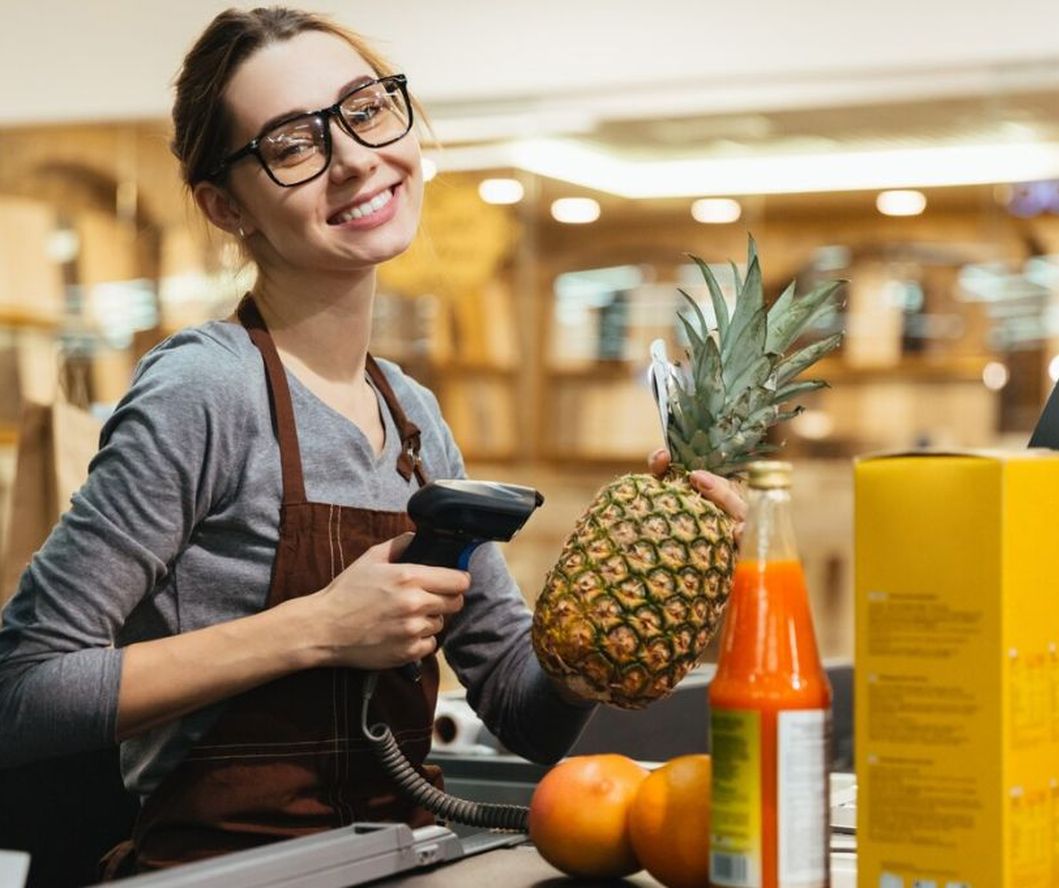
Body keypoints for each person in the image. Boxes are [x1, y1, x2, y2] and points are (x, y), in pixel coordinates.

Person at [0, 6, 746, 876]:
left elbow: (521, 709)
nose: (355, 157)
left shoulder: (412, 414)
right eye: (289, 145)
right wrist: (315, 628)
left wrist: (631, 615)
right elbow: (24, 693)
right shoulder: (206, 390)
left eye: (364, 108)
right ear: (224, 205)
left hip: (401, 860)